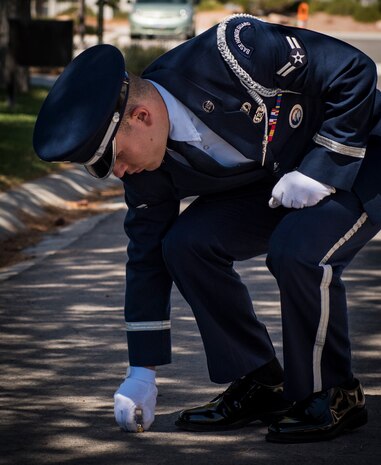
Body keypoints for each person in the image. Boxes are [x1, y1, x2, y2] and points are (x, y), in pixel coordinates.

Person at [33, 14, 381, 443]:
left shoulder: (235, 50)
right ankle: (260, 381)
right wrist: (141, 370)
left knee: (297, 251)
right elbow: (145, 255)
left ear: (141, 116)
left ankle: (335, 392)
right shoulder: (144, 170)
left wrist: (321, 170)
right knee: (183, 244)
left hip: (358, 156)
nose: (119, 172)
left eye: (113, 158)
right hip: (280, 181)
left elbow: (353, 70)